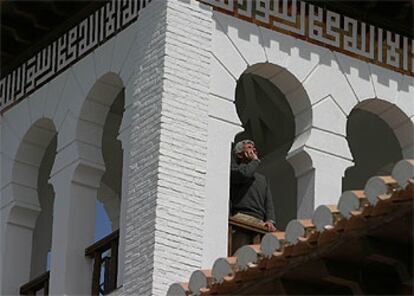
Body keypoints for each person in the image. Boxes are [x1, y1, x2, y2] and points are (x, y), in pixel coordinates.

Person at [230, 139, 276, 253]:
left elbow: (268, 202)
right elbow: (245, 174)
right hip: (241, 220)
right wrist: (255, 161)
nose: (253, 150)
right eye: (249, 147)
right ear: (240, 155)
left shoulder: (262, 179)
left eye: (254, 148)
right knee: (240, 257)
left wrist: (270, 220)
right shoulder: (234, 171)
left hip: (260, 224)